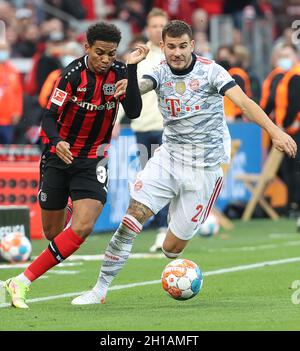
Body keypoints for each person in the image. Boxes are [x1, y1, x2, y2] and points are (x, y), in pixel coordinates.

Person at [72, 20, 297, 305]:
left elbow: (244, 103)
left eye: (182, 46)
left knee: (171, 249)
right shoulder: (159, 72)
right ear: (163, 47)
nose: (176, 53)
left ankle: (182, 213)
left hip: (204, 168)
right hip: (168, 157)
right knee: (131, 220)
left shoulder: (212, 71)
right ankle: (100, 289)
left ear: (192, 45)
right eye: (170, 47)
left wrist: (275, 132)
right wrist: (127, 80)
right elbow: (139, 88)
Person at [4, 21, 149, 309]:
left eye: (111, 54)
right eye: (100, 53)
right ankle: (68, 203)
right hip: (60, 157)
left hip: (94, 158)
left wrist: (131, 70)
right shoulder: (70, 76)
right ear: (86, 48)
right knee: (53, 234)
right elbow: (47, 117)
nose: (106, 60)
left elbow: (133, 110)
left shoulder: (120, 71)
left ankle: (20, 281)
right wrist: (57, 141)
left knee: (81, 228)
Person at [113, 7, 169, 252]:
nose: (158, 30)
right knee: (149, 181)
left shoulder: (174, 54)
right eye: (154, 26)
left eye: (162, 26)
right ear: (148, 28)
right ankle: (159, 226)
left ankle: (165, 229)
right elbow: (127, 90)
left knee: (166, 178)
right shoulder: (140, 54)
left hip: (167, 127)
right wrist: (115, 120)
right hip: (143, 127)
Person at [274, 46, 300, 228]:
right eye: (282, 56)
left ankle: (295, 204)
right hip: (287, 130)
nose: (284, 59)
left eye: (287, 55)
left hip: (294, 129)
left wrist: (287, 123)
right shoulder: (286, 76)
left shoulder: (295, 75)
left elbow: (295, 102)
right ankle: (293, 204)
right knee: (289, 170)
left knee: (294, 170)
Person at [0, 41, 23, 144]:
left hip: (8, 119)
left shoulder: (13, 70)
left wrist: (18, 112)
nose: (2, 51)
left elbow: (18, 93)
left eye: (4, 49)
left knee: (6, 152)